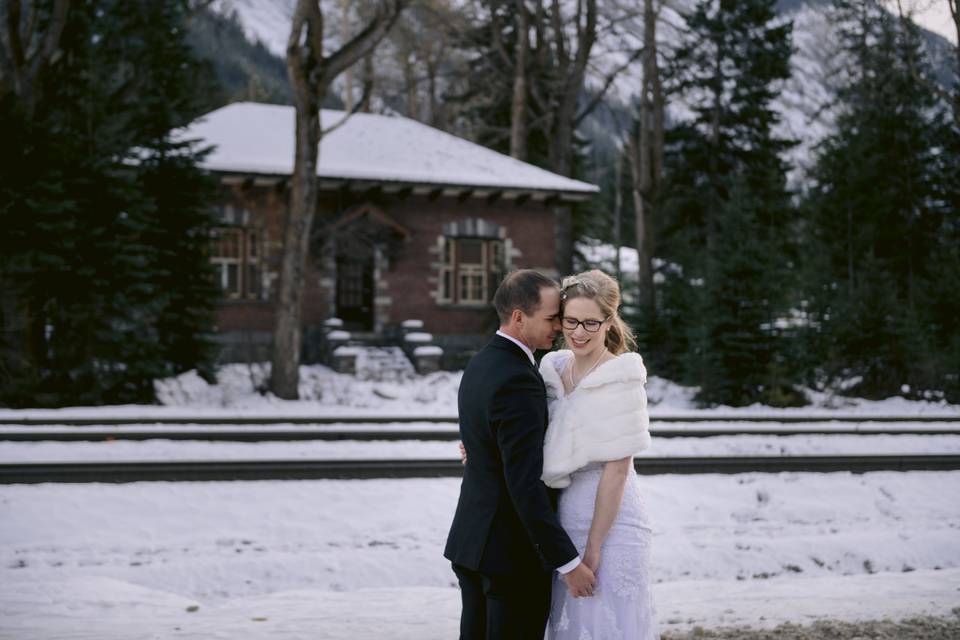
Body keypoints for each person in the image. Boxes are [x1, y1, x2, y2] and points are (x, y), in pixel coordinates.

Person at [444, 269, 597, 640]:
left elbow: (487, 445)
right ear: (518, 317)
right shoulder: (518, 378)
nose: (559, 327)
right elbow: (524, 481)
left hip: (472, 542)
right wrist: (567, 560)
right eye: (550, 318)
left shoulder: (481, 362)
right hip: (510, 554)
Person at [540, 269, 660, 639]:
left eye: (590, 323)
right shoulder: (553, 367)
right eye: (571, 321)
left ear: (609, 322)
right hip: (564, 519)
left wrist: (593, 549)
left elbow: (617, 472)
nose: (578, 332)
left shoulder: (622, 378)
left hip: (613, 524)